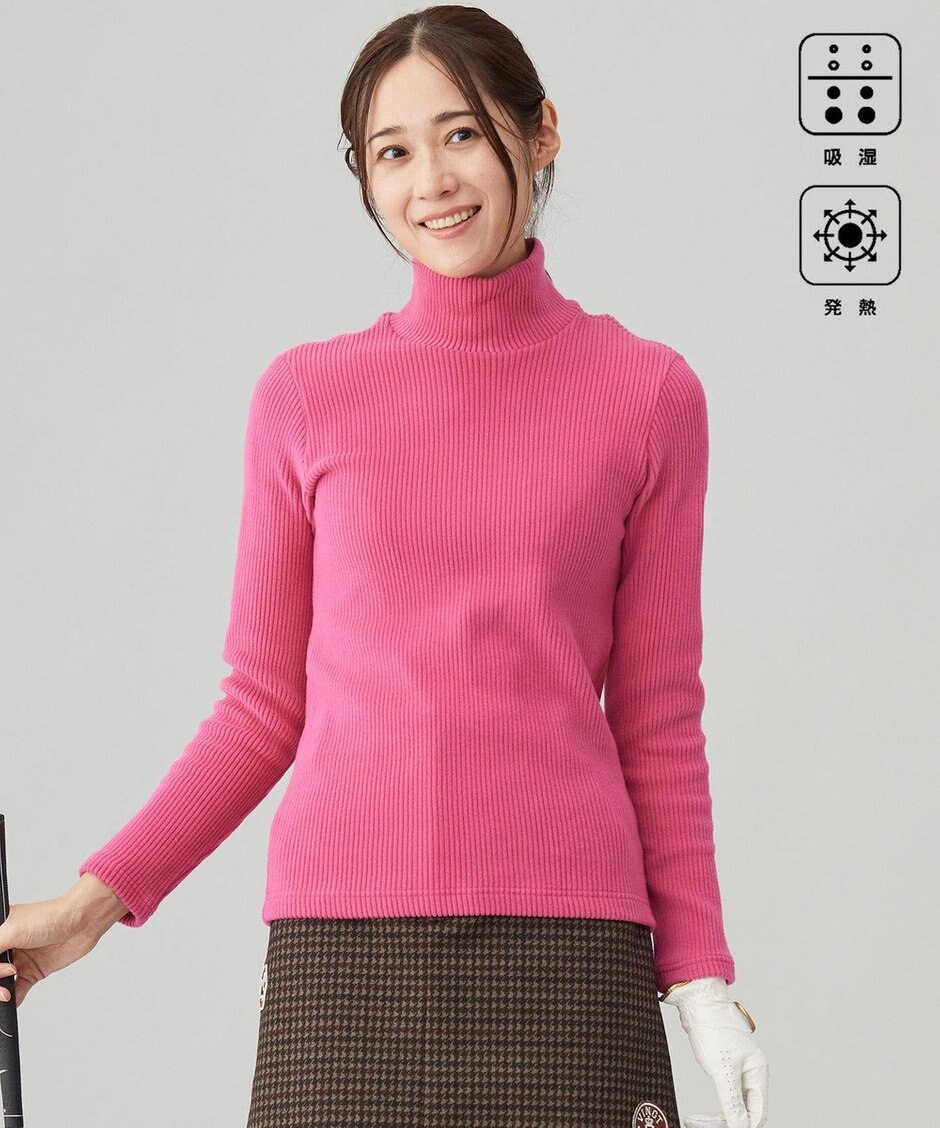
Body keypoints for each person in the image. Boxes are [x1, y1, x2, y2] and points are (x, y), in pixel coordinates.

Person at [0, 7, 770, 1126]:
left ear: (540, 132)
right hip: (344, 952)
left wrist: (698, 975)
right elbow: (261, 708)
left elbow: (655, 716)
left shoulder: (648, 396)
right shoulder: (304, 398)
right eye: (392, 152)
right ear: (364, 176)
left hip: (573, 947)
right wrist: (89, 907)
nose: (432, 183)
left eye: (461, 134)